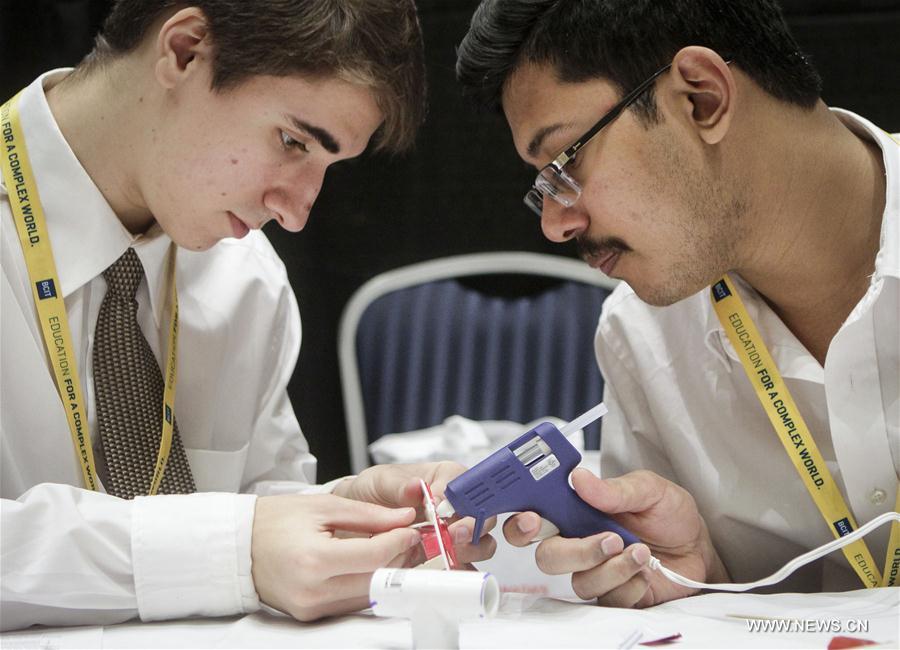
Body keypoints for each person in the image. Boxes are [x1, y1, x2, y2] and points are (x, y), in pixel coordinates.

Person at [1, 0, 495, 631]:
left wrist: (341, 514)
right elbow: (231, 544)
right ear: (184, 51)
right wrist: (237, 547)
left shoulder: (244, 276)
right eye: (292, 142)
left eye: (327, 168)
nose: (295, 212)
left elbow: (249, 515)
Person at [456, 0, 898, 608]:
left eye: (565, 161)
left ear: (702, 99)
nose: (556, 224)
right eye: (544, 186)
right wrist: (700, 582)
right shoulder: (641, 334)